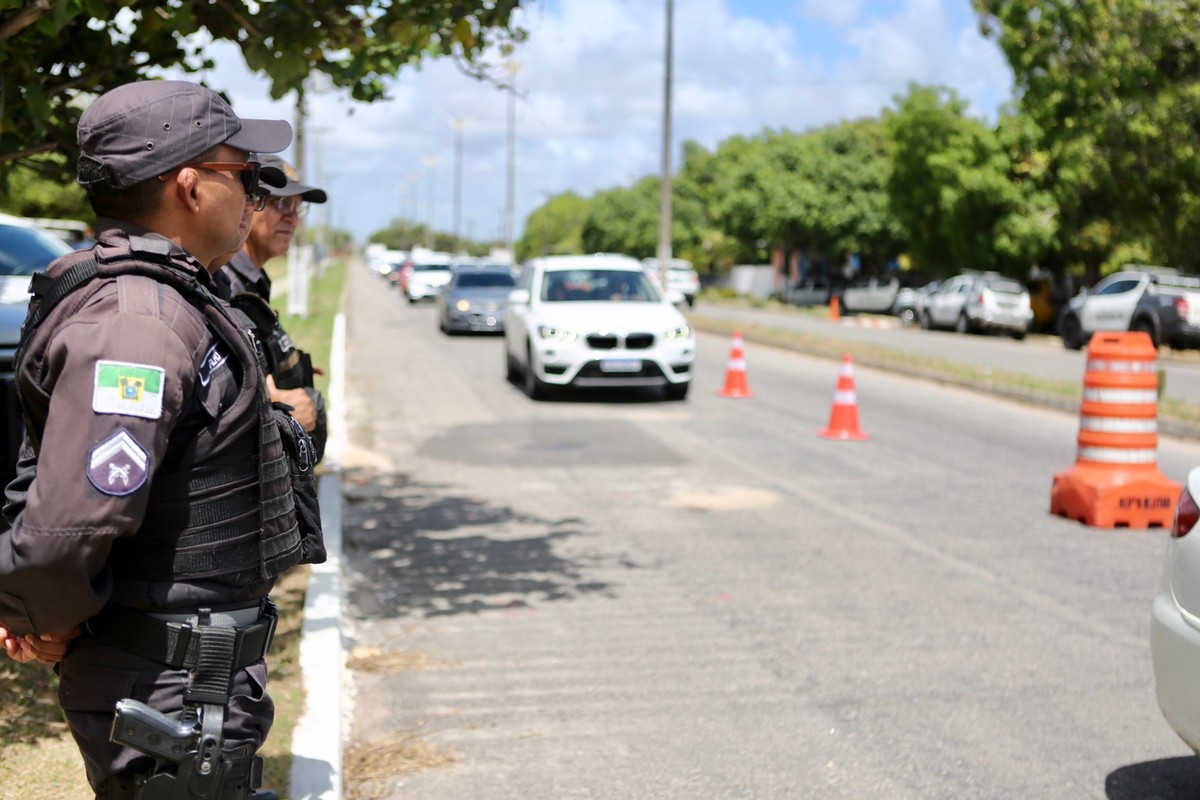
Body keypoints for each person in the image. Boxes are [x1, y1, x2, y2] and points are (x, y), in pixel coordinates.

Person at [0, 80, 324, 800]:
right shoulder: (137, 324)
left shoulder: (173, 298)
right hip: (172, 687)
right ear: (188, 185)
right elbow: (72, 523)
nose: (256, 195)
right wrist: (37, 617)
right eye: (244, 175)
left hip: (194, 680)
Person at [213, 155, 328, 461]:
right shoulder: (224, 283)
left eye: (297, 207)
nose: (292, 218)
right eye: (281, 204)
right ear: (249, 204)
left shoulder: (252, 279)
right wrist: (272, 399)